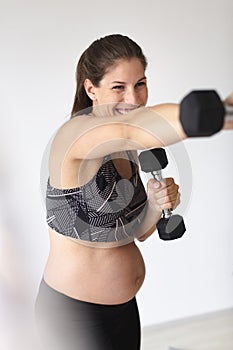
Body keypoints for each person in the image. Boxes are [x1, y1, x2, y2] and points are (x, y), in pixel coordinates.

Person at [34, 34, 232, 350]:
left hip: (123, 310)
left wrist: (154, 205)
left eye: (140, 84)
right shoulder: (75, 135)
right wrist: (220, 116)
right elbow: (134, 127)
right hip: (72, 318)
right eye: (118, 88)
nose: (134, 98)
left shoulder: (126, 149)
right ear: (91, 90)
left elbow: (135, 233)